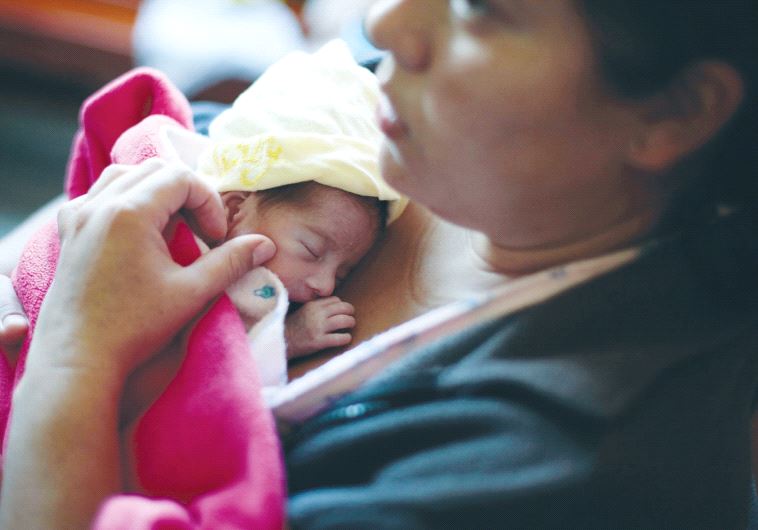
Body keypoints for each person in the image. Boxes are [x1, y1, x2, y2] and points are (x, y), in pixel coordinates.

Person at [0, 0, 757, 528]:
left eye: (477, 4)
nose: (384, 19)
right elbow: (198, 156)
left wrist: (74, 353)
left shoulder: (554, 471)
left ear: (673, 113)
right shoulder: (398, 121)